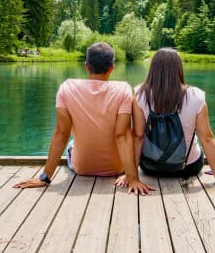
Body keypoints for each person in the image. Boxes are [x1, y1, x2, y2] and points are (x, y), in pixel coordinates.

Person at [13, 42, 153, 195]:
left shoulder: (67, 88)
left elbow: (61, 134)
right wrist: (132, 179)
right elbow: (122, 135)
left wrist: (44, 178)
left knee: (71, 143)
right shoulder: (123, 89)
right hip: (117, 168)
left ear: (86, 66)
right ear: (112, 68)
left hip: (82, 168)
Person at [117, 48, 215, 187]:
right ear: (178, 68)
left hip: (150, 167)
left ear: (153, 68)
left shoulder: (140, 94)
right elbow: (207, 138)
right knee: (198, 145)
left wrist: (130, 175)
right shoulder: (196, 96)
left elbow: (138, 137)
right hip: (188, 167)